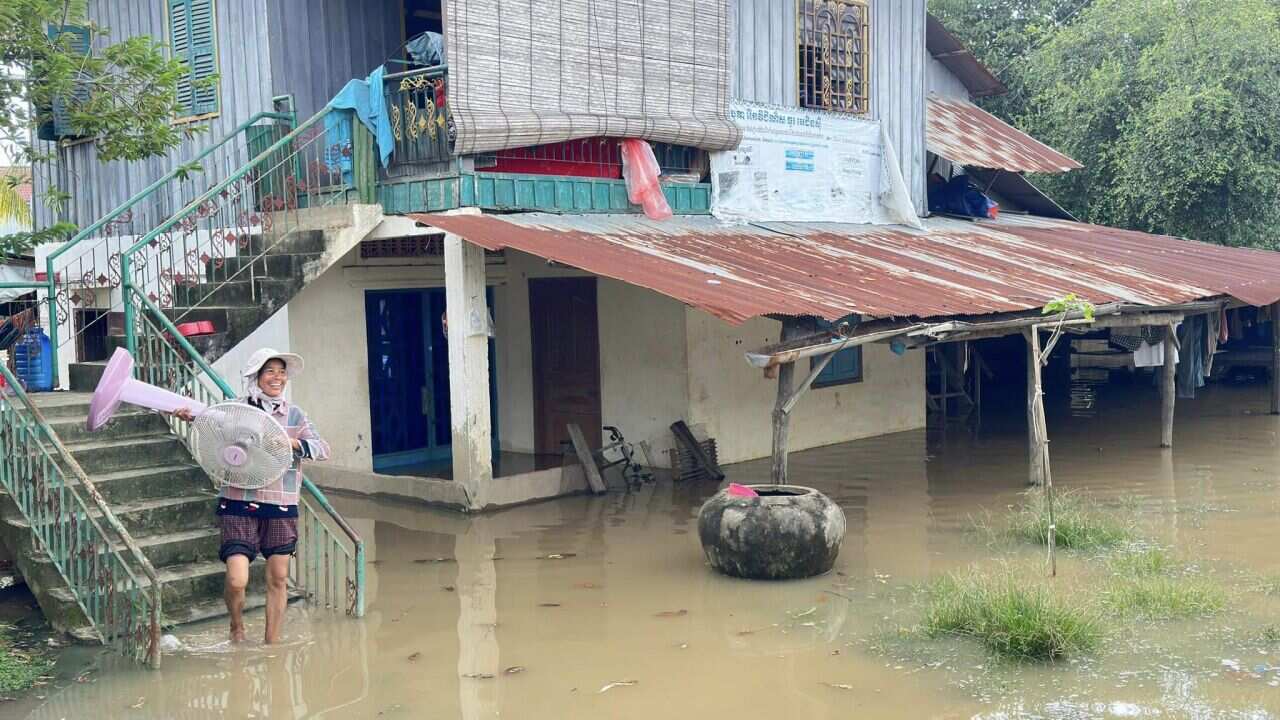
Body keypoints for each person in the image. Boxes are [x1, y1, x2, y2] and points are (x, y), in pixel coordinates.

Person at [175, 348, 329, 644]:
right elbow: (210, 426)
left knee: (278, 578)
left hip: (280, 504)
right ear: (256, 377)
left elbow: (322, 449)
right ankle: (236, 625)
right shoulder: (236, 410)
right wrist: (189, 417)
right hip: (238, 499)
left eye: (281, 372)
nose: (277, 377)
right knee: (237, 580)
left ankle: (272, 643)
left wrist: (292, 442)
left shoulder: (295, 415)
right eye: (270, 371)